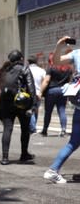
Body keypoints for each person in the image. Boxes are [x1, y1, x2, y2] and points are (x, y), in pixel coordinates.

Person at [43, 36, 80, 184]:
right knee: (74, 141)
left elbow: (56, 61)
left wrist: (59, 45)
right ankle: (52, 170)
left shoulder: (77, 53)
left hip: (78, 103)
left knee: (74, 141)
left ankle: (53, 170)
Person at [0, 50, 36, 165]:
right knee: (25, 129)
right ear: (21, 58)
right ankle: (24, 154)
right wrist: (33, 104)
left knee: (7, 128)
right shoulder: (24, 69)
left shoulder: (4, 70)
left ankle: (5, 157)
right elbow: (31, 87)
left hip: (6, 103)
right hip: (21, 102)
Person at [39, 52, 72, 137]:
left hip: (51, 91)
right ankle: (63, 130)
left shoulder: (51, 68)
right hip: (63, 91)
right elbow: (69, 81)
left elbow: (46, 81)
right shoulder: (68, 69)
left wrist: (40, 92)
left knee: (48, 112)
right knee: (62, 110)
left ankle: (45, 130)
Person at [27, 56, 46, 134]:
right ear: (36, 62)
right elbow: (45, 81)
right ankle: (33, 126)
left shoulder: (26, 69)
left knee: (30, 109)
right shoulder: (41, 70)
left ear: (28, 62)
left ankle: (32, 128)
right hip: (38, 93)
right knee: (35, 110)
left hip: (27, 93)